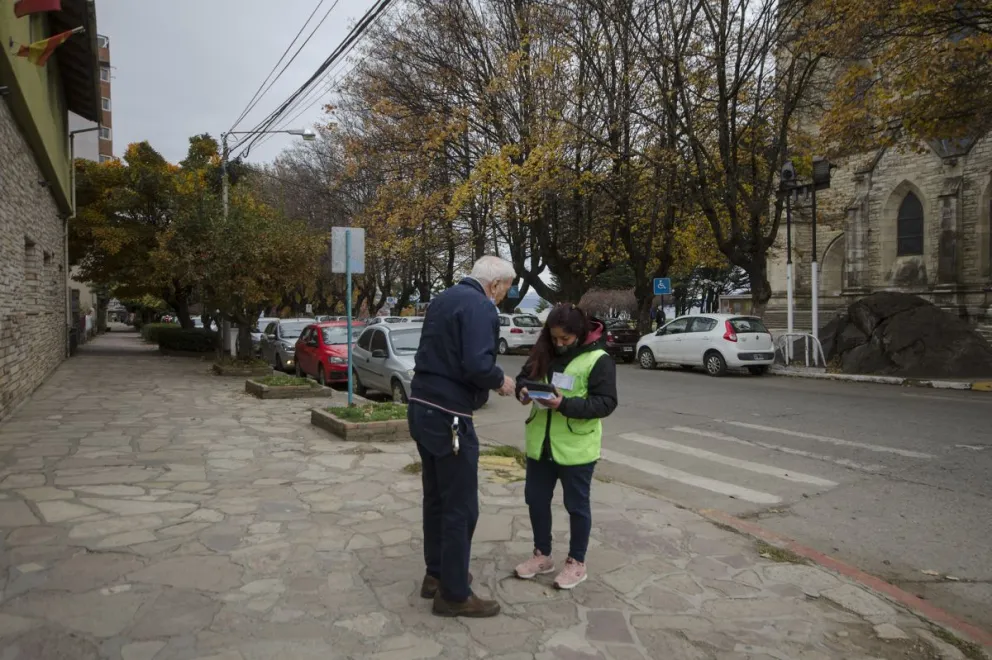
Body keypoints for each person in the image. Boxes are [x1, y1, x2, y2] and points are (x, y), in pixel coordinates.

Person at [408, 255, 517, 618]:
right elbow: (476, 364)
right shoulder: (481, 307)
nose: (504, 296)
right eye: (506, 288)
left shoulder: (442, 299)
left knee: (436, 498)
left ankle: (436, 575)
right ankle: (454, 594)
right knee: (461, 507)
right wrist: (500, 380)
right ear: (495, 284)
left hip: (421, 407)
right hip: (449, 415)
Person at [513, 304, 618, 590]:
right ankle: (542, 555)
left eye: (565, 339)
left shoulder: (599, 359)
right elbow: (523, 378)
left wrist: (564, 404)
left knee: (576, 506)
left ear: (579, 333)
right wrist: (522, 391)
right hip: (540, 445)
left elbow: (606, 403)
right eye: (555, 338)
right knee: (535, 500)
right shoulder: (543, 350)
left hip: (576, 448)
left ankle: (576, 562)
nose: (559, 344)